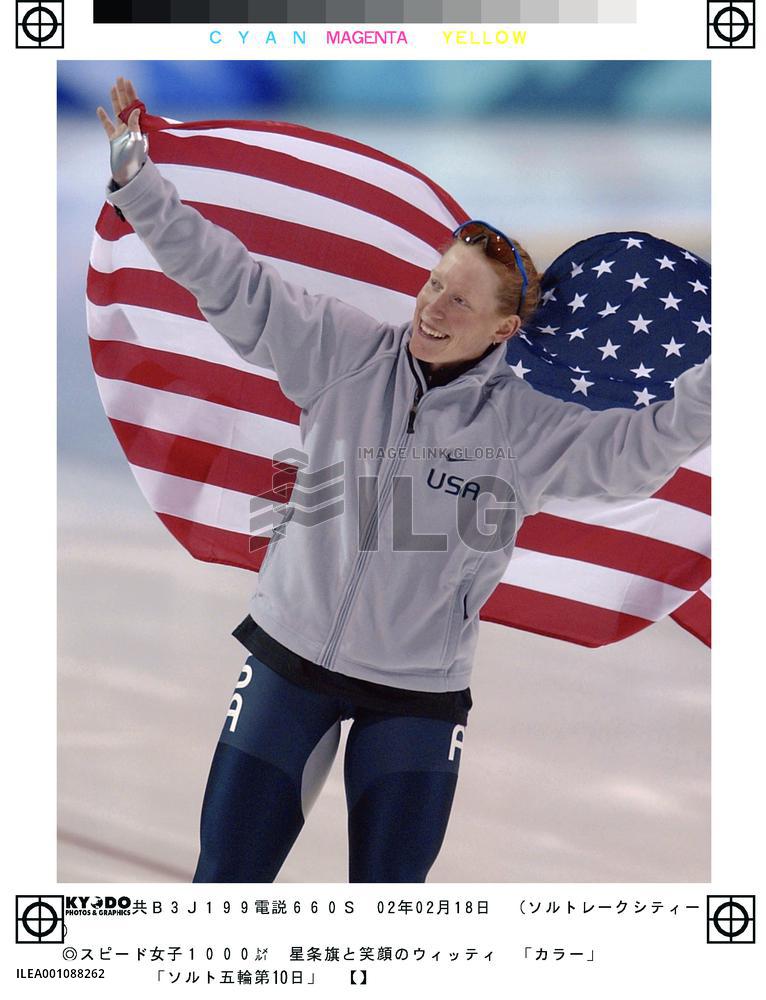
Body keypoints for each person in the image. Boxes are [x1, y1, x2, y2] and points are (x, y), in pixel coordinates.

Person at [97, 78, 711, 883]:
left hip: (416, 697)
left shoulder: (530, 426)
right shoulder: (343, 353)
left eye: (460, 301)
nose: (433, 307)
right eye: (433, 285)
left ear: (505, 328)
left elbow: (648, 446)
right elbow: (232, 280)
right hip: (286, 663)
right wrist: (141, 189)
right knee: (224, 890)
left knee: (388, 919)